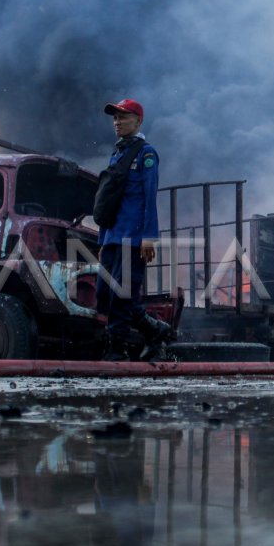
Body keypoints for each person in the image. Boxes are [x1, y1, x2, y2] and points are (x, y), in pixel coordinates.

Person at [96, 98, 172, 361]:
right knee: (103, 293)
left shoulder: (146, 154)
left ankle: (116, 351)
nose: (117, 122)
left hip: (133, 237)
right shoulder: (116, 154)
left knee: (122, 295)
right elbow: (109, 201)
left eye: (124, 117)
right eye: (115, 117)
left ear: (138, 121)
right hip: (113, 236)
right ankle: (154, 330)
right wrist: (103, 240)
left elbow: (149, 198)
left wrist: (149, 238)